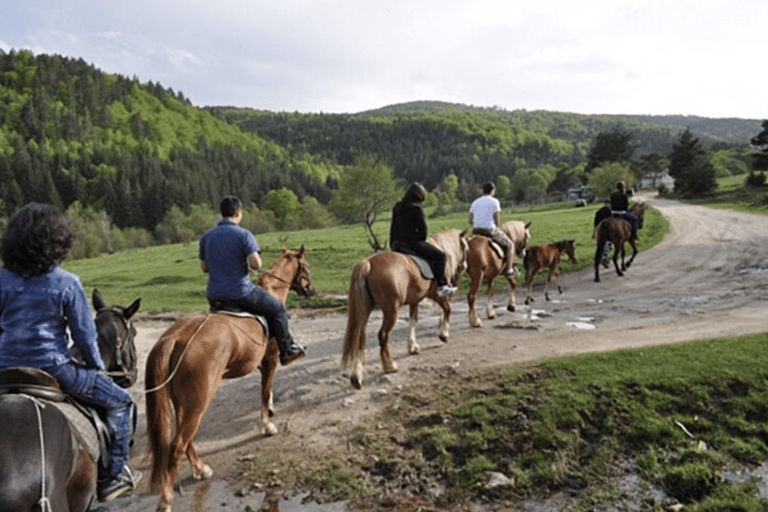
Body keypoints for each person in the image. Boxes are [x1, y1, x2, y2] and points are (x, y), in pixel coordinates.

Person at [0, 203, 140, 502]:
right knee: (121, 402)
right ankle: (112, 475)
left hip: (4, 368)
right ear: (57, 242)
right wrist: (97, 367)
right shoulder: (67, 282)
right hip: (56, 369)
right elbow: (85, 337)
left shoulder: (1, 279)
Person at [199, 196, 306, 365]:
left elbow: (204, 268)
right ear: (238, 213)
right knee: (278, 309)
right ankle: (287, 350)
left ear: (222, 213)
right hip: (240, 292)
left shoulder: (206, 237)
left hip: (214, 294)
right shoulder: (244, 235)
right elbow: (256, 265)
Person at [390, 183, 456, 297]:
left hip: (396, 243)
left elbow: (393, 227)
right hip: (411, 244)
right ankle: (442, 285)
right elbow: (423, 234)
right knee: (441, 256)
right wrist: (418, 239)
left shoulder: (397, 206)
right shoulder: (417, 209)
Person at [468, 182, 517, 276]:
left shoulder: (475, 202)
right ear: (492, 190)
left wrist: (479, 223)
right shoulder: (495, 201)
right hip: (489, 230)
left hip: (476, 231)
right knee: (510, 245)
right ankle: (510, 270)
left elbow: (470, 220)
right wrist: (498, 229)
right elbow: (497, 221)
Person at [594, 200, 613, 268]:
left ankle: (603, 258)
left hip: (599, 230)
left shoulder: (599, 211)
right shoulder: (610, 212)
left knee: (601, 245)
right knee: (607, 245)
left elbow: (595, 225)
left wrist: (594, 233)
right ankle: (604, 260)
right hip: (607, 231)